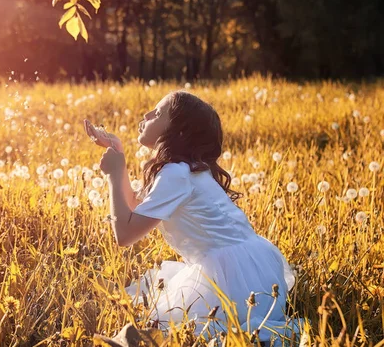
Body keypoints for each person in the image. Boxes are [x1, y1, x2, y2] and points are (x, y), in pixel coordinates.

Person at [83, 90, 302, 345]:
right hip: (251, 267)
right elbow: (135, 204)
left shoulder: (176, 174)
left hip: (234, 282)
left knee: (180, 328)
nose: (146, 114)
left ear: (178, 131)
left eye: (158, 113)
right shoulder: (185, 170)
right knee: (164, 314)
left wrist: (114, 174)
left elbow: (125, 234)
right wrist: (117, 151)